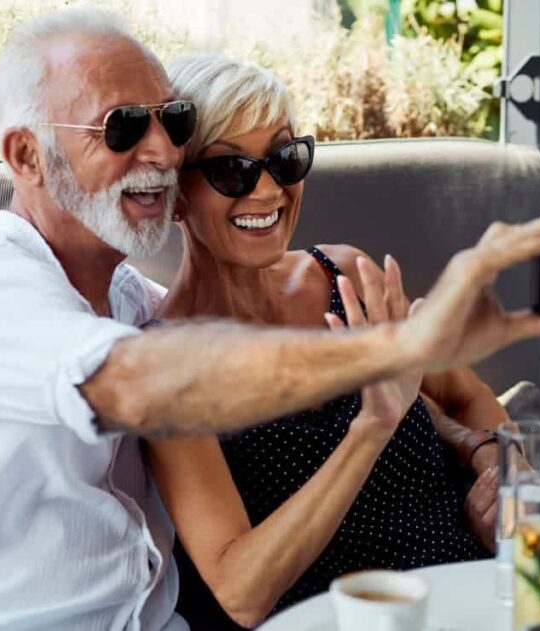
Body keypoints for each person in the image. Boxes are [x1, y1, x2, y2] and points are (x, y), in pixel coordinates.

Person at [0, 9, 540, 631]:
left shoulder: (127, 295)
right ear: (27, 156)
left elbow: (450, 394)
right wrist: (378, 393)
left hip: (460, 585)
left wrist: (489, 459)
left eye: (171, 124)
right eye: (120, 128)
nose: (160, 152)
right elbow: (147, 383)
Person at [145, 53, 515, 629]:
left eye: (284, 158)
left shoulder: (344, 276)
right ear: (174, 194)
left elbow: (469, 397)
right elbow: (241, 591)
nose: (267, 190)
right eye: (230, 170)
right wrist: (371, 427)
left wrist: (502, 476)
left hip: (468, 594)